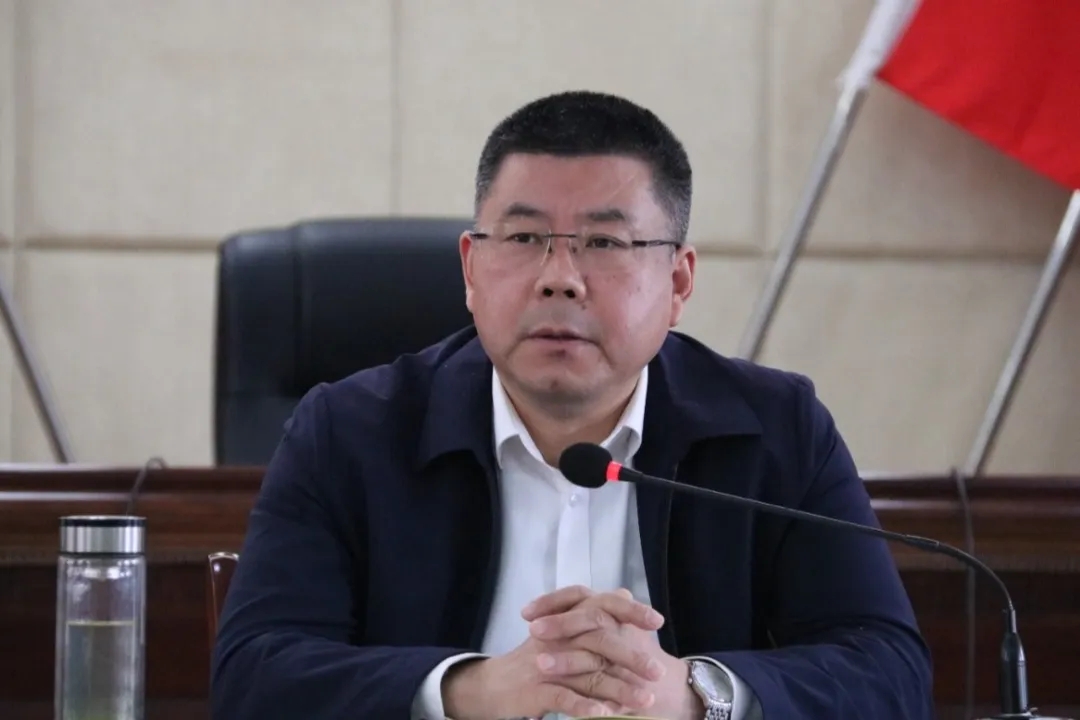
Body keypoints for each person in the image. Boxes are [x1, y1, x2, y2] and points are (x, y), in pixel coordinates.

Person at [211, 90, 934, 720]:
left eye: (604, 242)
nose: (560, 278)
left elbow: (890, 674)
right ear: (470, 268)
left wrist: (693, 696)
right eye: (525, 237)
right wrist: (470, 691)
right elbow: (253, 677)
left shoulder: (776, 431)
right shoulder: (348, 432)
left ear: (678, 283)